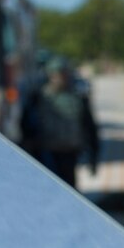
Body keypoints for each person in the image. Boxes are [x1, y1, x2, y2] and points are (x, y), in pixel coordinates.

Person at [19, 55, 99, 189]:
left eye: (63, 74)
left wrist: (93, 156)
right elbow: (26, 125)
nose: (61, 78)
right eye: (57, 74)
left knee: (70, 190)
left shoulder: (77, 98)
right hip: (47, 153)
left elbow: (89, 127)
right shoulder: (39, 97)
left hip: (70, 153)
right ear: (50, 75)